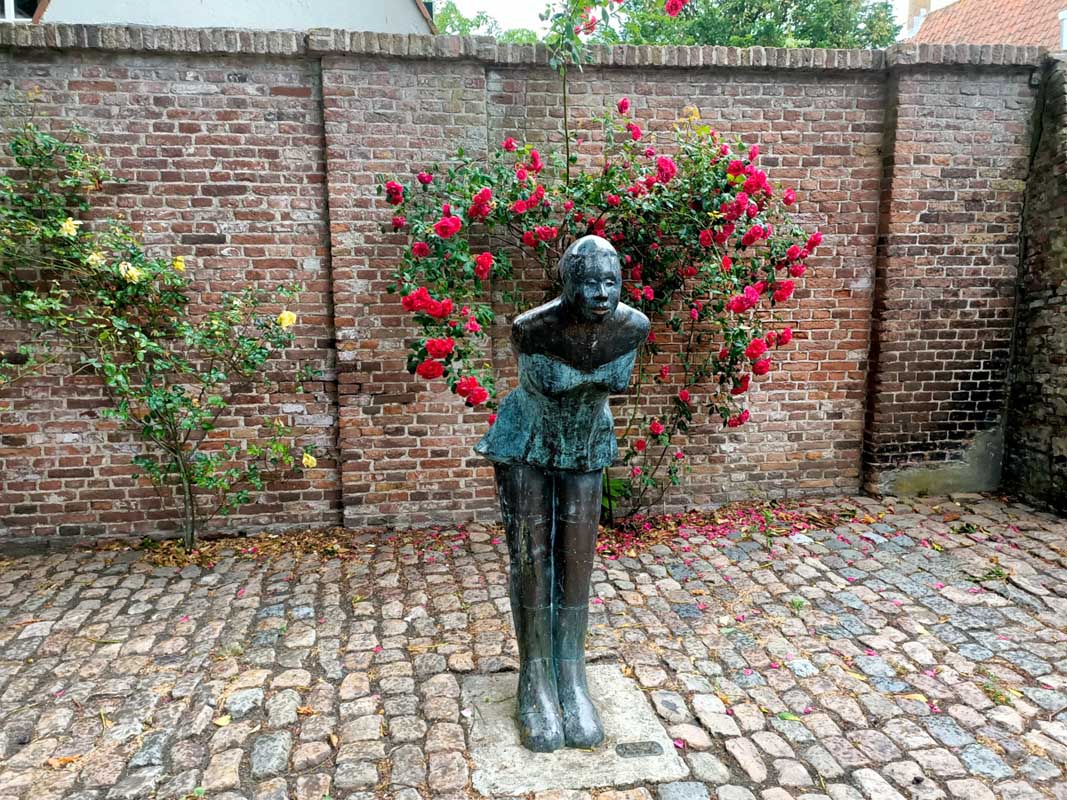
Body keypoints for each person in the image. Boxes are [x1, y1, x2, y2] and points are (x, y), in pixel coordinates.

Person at [475, 235, 650, 752]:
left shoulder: (632, 327)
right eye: (589, 282)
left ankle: (571, 677)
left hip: (586, 443)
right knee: (532, 560)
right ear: (568, 283)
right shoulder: (533, 327)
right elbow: (545, 385)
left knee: (577, 563)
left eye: (610, 282)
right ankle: (536, 678)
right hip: (526, 443)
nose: (601, 293)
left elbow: (605, 383)